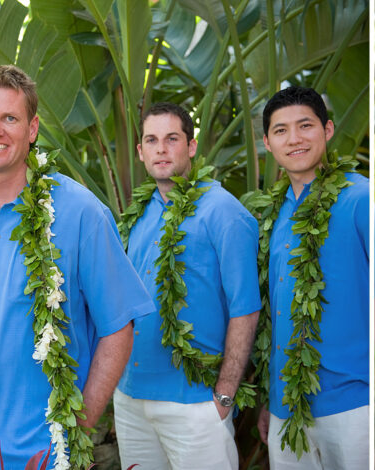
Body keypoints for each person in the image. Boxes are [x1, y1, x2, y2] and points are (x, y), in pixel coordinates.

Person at [0, 65, 154, 469]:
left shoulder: (81, 214)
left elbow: (118, 328)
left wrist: (75, 431)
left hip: (31, 453)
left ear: (32, 128)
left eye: (10, 118)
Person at [114, 102, 260, 469]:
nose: (161, 149)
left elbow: (246, 307)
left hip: (195, 403)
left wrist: (224, 396)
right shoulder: (139, 215)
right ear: (141, 151)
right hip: (130, 398)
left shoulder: (223, 212)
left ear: (191, 147)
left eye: (172, 138)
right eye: (152, 140)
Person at [255, 86, 369, 469]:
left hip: (353, 403)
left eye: (305, 125)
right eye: (281, 131)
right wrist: (270, 402)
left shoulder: (359, 199)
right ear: (268, 143)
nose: (294, 139)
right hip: (287, 408)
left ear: (329, 129)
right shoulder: (274, 214)